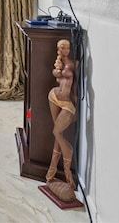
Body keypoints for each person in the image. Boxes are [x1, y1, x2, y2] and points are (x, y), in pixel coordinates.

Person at [45, 39, 76, 189]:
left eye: (66, 47)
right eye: (61, 48)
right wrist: (55, 71)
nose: (63, 50)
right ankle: (52, 171)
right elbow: (56, 75)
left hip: (67, 104)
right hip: (54, 97)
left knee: (57, 132)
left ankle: (66, 170)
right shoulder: (58, 64)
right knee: (58, 133)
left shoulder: (74, 64)